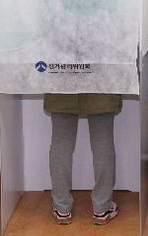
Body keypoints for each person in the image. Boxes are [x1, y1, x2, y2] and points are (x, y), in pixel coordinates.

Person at [44, 93, 121, 225]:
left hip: (61, 82)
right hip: (102, 85)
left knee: (61, 142)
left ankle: (62, 208)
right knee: (102, 141)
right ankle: (102, 207)